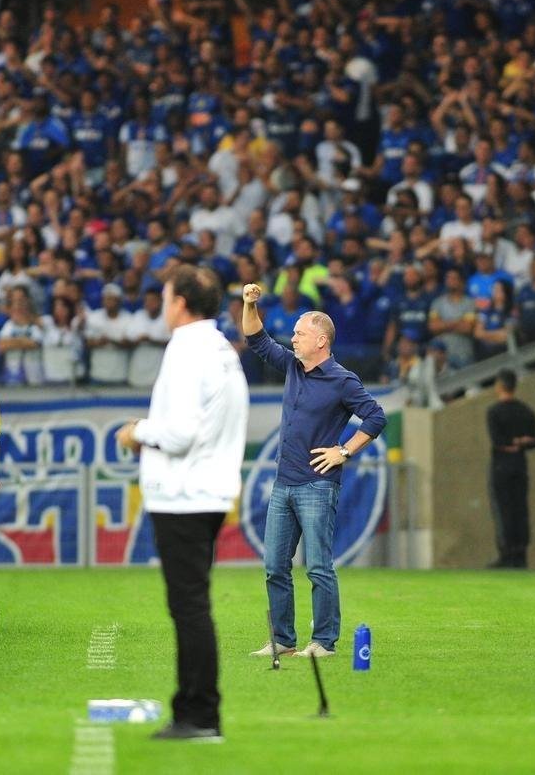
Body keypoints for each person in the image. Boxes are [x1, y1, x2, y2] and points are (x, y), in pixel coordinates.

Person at [115, 265, 248, 742]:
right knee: (191, 603)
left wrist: (137, 432)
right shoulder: (220, 350)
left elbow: (179, 432)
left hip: (185, 494)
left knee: (189, 606)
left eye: (167, 296)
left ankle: (198, 714)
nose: (164, 305)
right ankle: (195, 710)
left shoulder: (188, 350)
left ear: (180, 303)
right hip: (207, 490)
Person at [241, 281, 387, 659]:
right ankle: (283, 640)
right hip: (283, 483)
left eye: (299, 333)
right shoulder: (292, 365)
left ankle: (324, 642)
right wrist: (248, 303)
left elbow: (375, 416)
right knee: (275, 566)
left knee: (319, 566)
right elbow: (256, 339)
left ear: (321, 340)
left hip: (318, 485)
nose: (292, 339)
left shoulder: (342, 379)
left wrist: (344, 451)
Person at [486, 368, 535, 568]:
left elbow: (498, 441)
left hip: (501, 466)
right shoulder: (526, 411)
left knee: (503, 509)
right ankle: (521, 554)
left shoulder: (494, 412)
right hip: (520, 465)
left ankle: (506, 554)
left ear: (499, 386)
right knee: (521, 508)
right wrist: (522, 441)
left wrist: (512, 442)